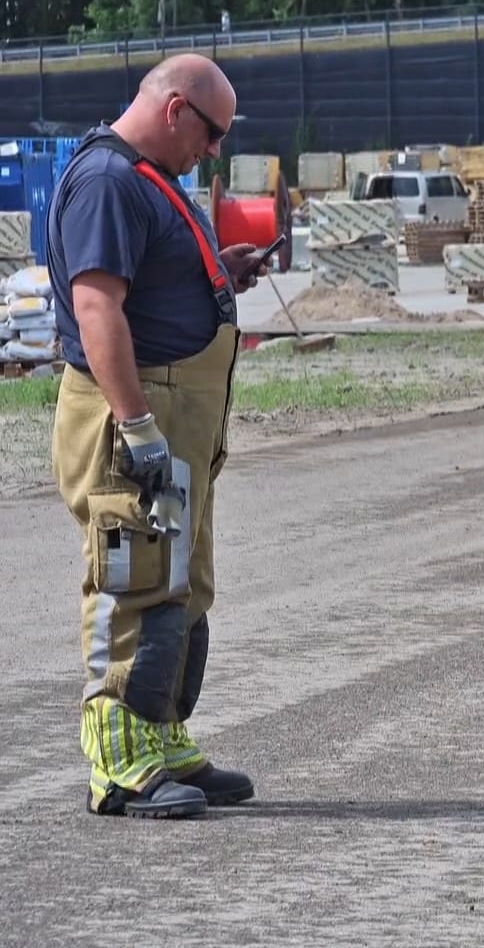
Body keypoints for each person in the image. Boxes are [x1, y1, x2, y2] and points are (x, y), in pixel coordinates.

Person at [47, 53, 268, 819]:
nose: (214, 151)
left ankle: (162, 736)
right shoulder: (108, 182)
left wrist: (217, 274)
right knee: (131, 580)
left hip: (175, 426)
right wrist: (137, 426)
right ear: (176, 109)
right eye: (212, 134)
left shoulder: (148, 179)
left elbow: (145, 290)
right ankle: (117, 765)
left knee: (178, 580)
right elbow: (98, 310)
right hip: (136, 424)